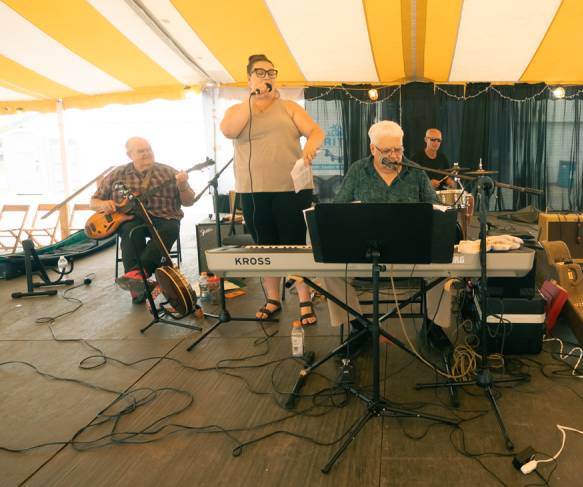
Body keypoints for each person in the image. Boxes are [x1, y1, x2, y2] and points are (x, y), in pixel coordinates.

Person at [323, 121, 453, 341]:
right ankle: (357, 324)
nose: (394, 156)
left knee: (443, 267)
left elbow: (436, 209)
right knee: (329, 272)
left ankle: (433, 327)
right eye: (387, 150)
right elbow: (338, 209)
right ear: (373, 149)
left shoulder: (416, 171)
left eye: (398, 149)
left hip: (411, 251)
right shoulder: (358, 170)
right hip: (365, 252)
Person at [220, 54, 324, 326]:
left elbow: (316, 132)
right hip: (254, 191)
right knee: (264, 245)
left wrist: (309, 147)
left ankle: (304, 298)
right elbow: (230, 131)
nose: (267, 77)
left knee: (296, 245)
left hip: (291, 188)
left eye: (271, 72)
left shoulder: (289, 107)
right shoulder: (238, 110)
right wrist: (253, 98)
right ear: (249, 78)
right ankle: (273, 298)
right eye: (260, 72)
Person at [91, 137, 195, 303]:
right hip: (132, 218)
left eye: (149, 149)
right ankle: (139, 287)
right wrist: (104, 204)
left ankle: (138, 274)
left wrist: (183, 185)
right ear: (129, 155)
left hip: (164, 216)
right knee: (130, 230)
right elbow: (94, 201)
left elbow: (189, 202)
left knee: (170, 228)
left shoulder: (168, 172)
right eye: (141, 151)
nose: (147, 153)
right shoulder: (118, 174)